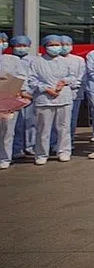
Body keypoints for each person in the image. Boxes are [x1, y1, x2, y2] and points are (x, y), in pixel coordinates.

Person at [25, 35, 77, 165]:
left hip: (63, 97)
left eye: (57, 45)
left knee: (64, 127)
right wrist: (45, 88)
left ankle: (64, 151)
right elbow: (32, 80)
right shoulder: (37, 62)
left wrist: (64, 82)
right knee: (43, 128)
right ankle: (41, 153)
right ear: (45, 46)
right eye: (52, 45)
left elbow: (72, 77)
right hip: (44, 99)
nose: (55, 47)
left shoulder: (66, 61)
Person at [51, 35, 86, 153]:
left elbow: (81, 77)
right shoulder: (51, 60)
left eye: (67, 44)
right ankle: (54, 142)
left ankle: (68, 142)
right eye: (62, 44)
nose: (65, 47)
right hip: (54, 94)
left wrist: (70, 85)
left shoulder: (78, 60)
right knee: (54, 121)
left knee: (70, 120)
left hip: (74, 93)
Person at [0, 33, 30, 169]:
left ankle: (5, 157)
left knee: (7, 130)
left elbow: (21, 76)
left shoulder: (12, 60)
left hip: (8, 97)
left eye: (3, 41)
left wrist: (18, 90)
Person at [10, 35, 36, 159]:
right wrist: (19, 91)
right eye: (18, 46)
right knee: (16, 124)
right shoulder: (8, 60)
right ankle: (16, 148)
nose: (21, 48)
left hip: (30, 95)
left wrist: (30, 93)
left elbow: (35, 77)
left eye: (24, 46)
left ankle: (30, 146)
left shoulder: (34, 60)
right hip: (14, 94)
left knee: (30, 122)